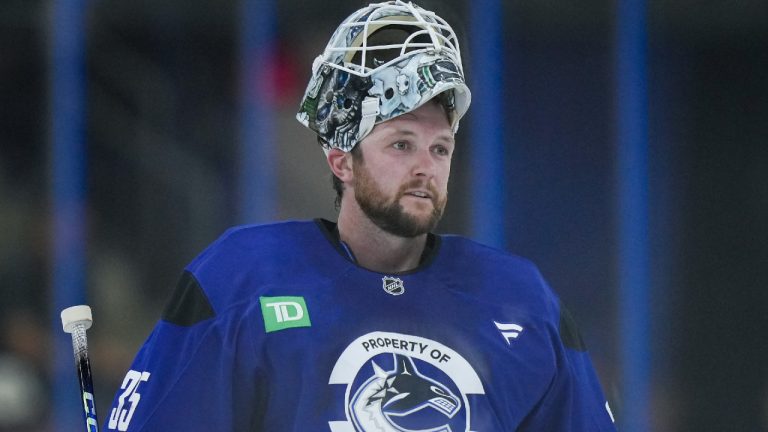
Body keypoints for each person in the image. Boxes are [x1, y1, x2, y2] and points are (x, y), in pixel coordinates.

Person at [105, 1, 617, 430]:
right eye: (401, 144)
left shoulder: (522, 301)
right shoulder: (240, 277)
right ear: (342, 160)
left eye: (440, 149)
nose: (425, 167)